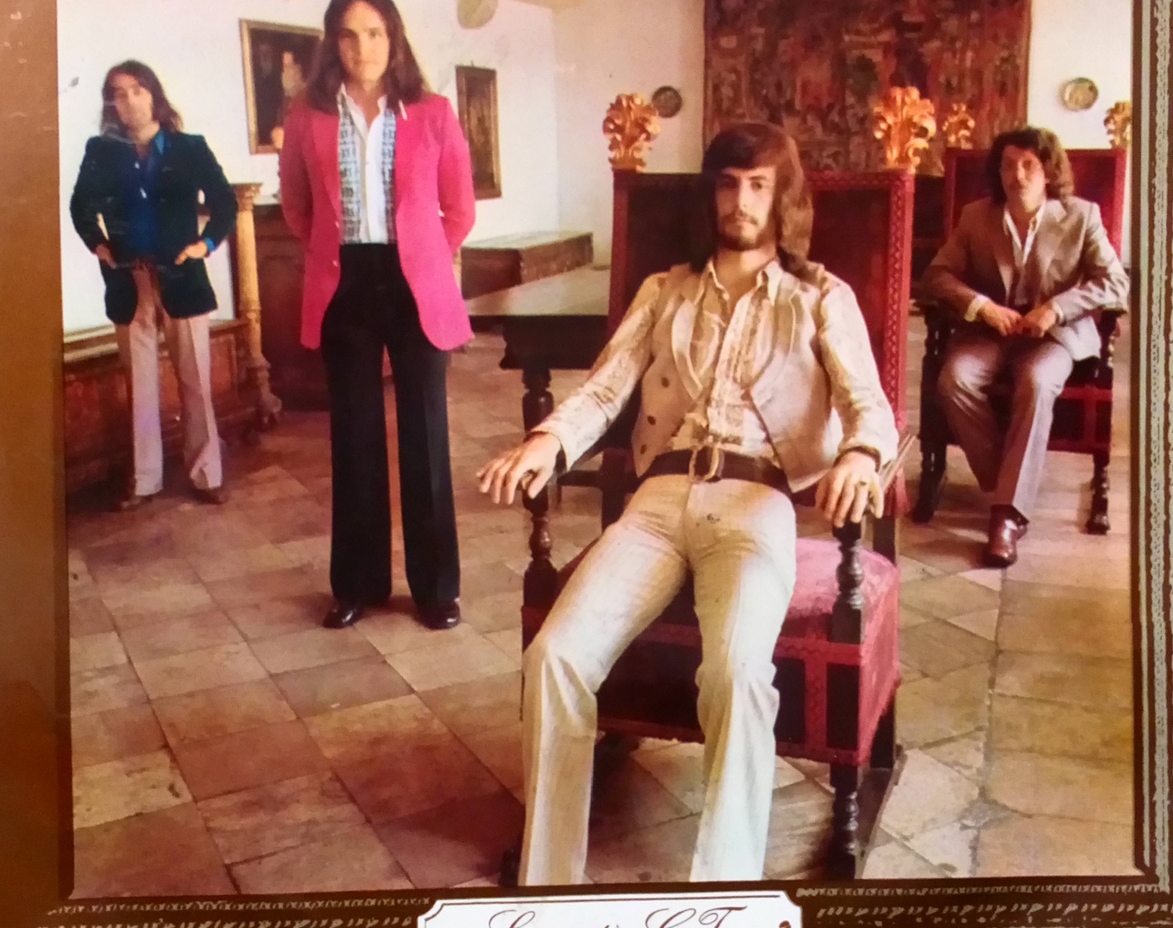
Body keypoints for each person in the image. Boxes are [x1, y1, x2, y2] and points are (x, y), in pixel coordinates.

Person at [478, 121, 899, 885]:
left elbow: (870, 405)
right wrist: (548, 441)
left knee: (736, 674)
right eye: (729, 184)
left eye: (759, 185)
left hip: (755, 504)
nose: (742, 200)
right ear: (711, 195)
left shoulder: (820, 297)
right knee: (555, 657)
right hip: (657, 503)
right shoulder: (664, 291)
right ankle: (547, 887)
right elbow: (605, 388)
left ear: (782, 198)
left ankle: (723, 891)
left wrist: (861, 456)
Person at [279, 0, 476, 632]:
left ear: (393, 39)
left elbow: (460, 209)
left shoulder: (433, 112)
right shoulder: (307, 116)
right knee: (354, 437)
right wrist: (333, 253)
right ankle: (358, 585)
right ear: (332, 43)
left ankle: (436, 589)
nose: (362, 47)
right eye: (349, 34)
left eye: (374, 33)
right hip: (346, 282)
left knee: (425, 434)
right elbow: (296, 206)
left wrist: (424, 255)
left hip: (416, 283)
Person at [919, 124, 1130, 568]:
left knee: (1036, 380)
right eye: (1008, 165)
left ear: (1049, 171)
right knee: (954, 378)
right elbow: (937, 275)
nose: (1016, 175)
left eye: (1028, 165)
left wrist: (1055, 309)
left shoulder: (1081, 216)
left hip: (1053, 336)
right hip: (990, 331)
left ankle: (1007, 517)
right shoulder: (977, 216)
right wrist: (981, 307)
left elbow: (1114, 282)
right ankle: (1010, 487)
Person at [69, 61, 237, 508]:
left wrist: (204, 244)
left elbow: (224, 202)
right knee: (140, 386)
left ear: (154, 96)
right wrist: (100, 246)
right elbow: (80, 206)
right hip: (129, 281)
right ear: (112, 104)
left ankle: (206, 474)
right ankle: (145, 480)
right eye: (119, 94)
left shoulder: (189, 147)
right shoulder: (101, 151)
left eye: (137, 90)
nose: (129, 101)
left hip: (182, 278)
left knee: (195, 381)